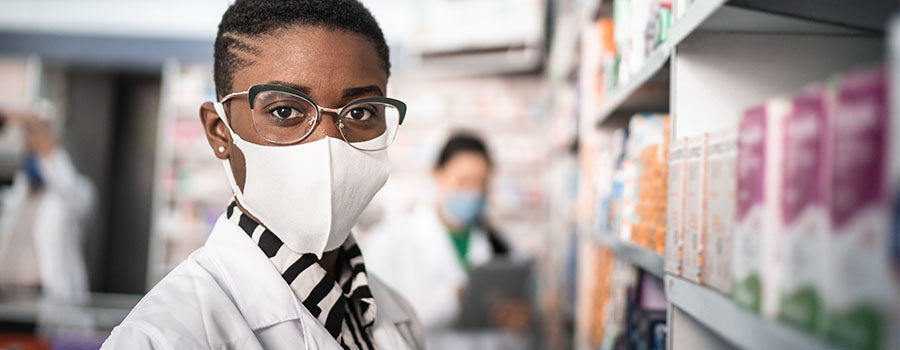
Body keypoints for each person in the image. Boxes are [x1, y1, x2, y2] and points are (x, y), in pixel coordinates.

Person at [102, 1, 423, 349]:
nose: (328, 143)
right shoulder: (158, 338)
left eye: (360, 112)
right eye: (285, 111)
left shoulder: (396, 316)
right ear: (219, 133)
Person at [363, 133, 532, 349]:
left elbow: (511, 335)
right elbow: (379, 320)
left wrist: (519, 325)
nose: (474, 192)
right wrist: (455, 298)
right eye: (464, 181)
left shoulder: (502, 246)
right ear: (437, 175)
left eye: (482, 182)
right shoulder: (391, 240)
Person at [0, 107, 94, 302]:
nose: (33, 142)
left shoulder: (79, 192)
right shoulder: (19, 192)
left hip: (42, 302)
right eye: (28, 135)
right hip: (8, 300)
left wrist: (41, 134)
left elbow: (68, 187)